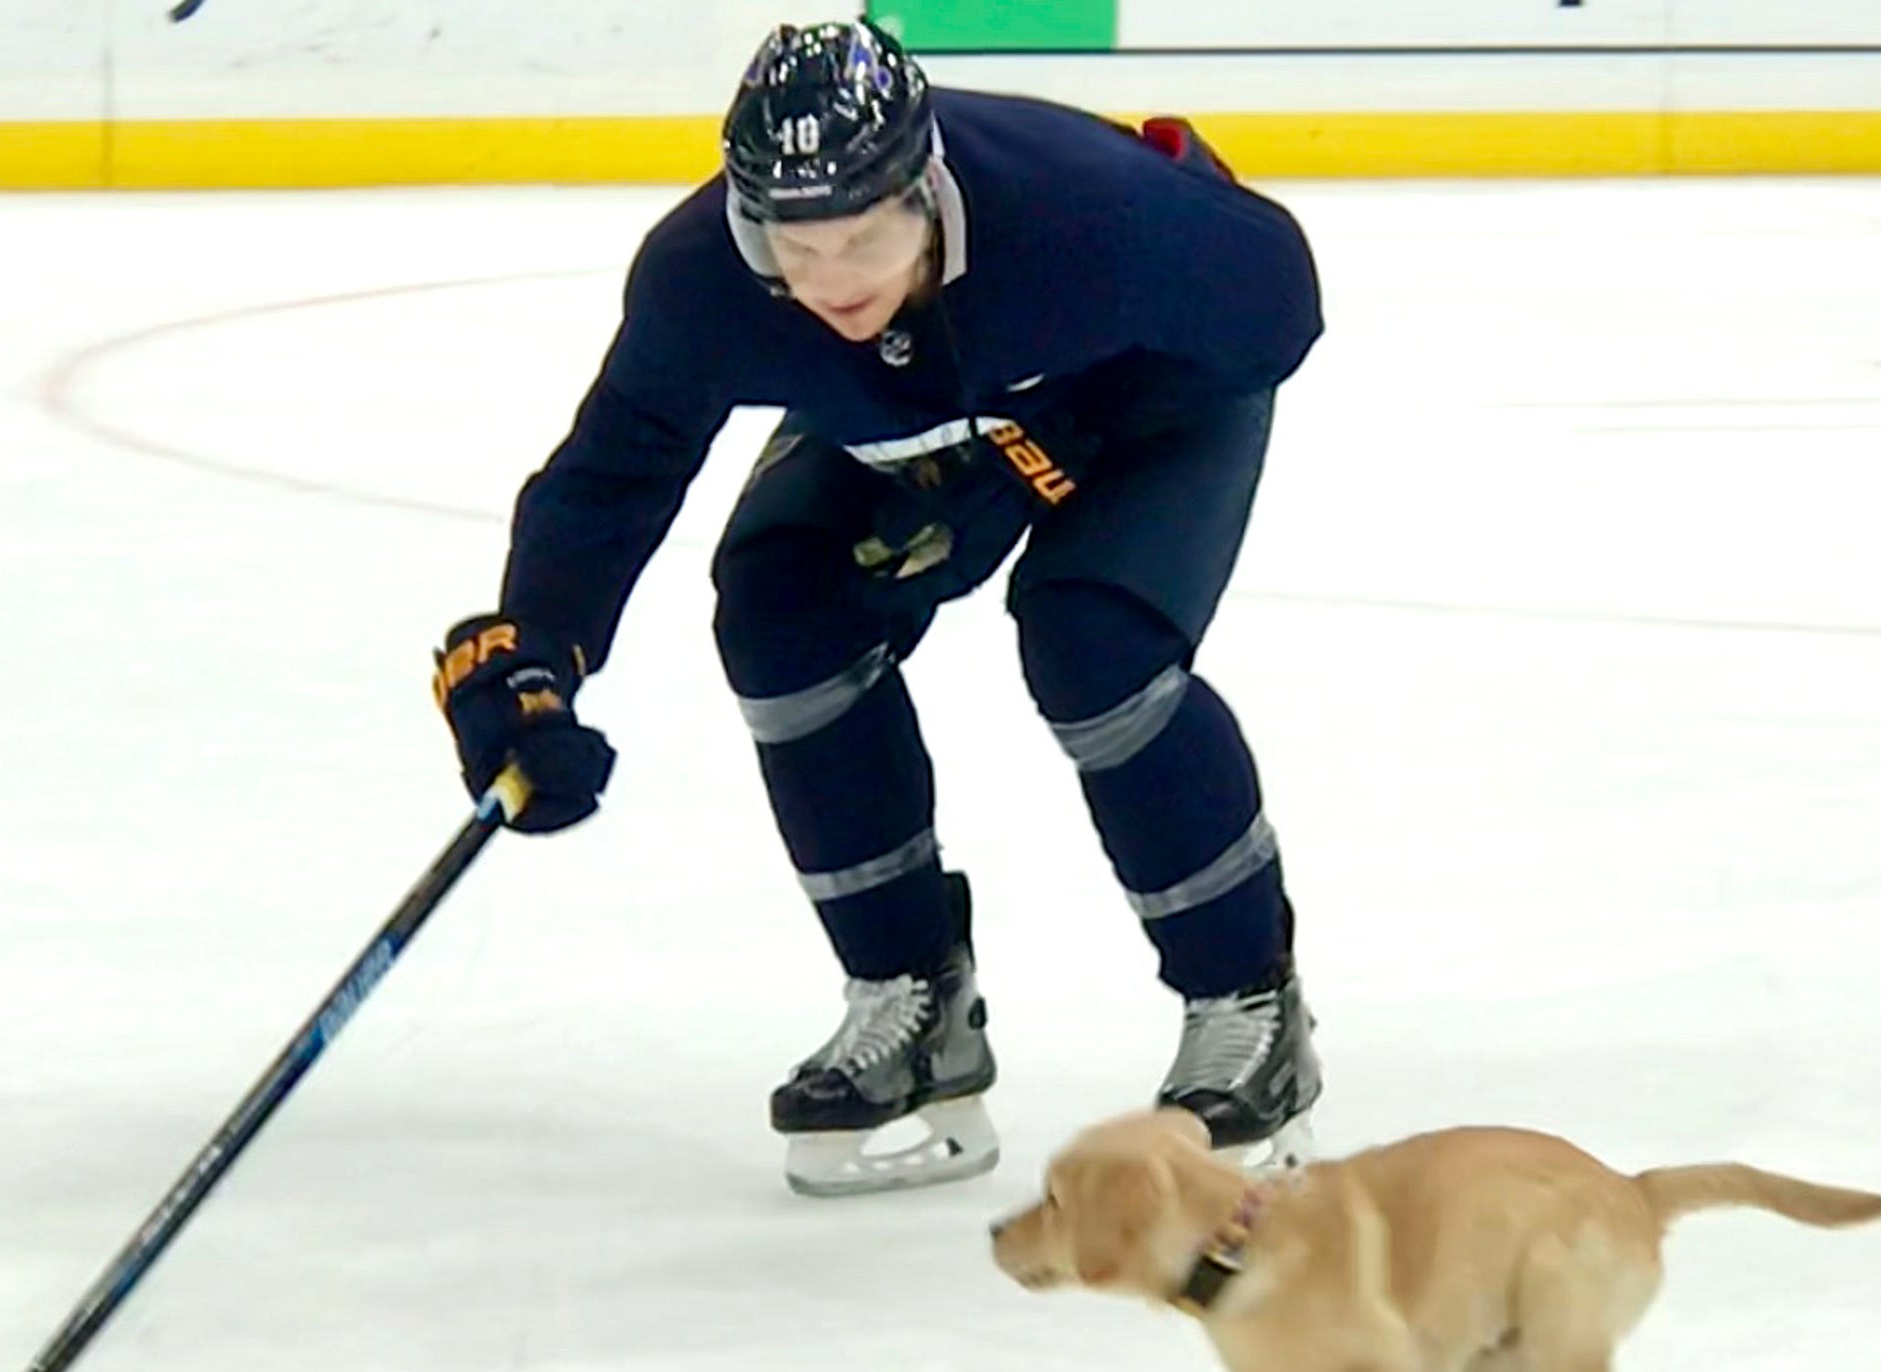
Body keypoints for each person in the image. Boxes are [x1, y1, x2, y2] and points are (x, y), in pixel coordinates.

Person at [430, 19, 1327, 1197]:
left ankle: (1245, 1004)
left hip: (1146, 393)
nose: (834, 281)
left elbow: (1277, 304)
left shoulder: (1087, 219)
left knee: (1090, 639)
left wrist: (1056, 433)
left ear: (926, 190)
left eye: (864, 238)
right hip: (935, 401)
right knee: (778, 608)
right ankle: (913, 1000)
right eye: (795, 247)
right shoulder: (707, 277)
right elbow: (618, 465)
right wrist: (534, 654)